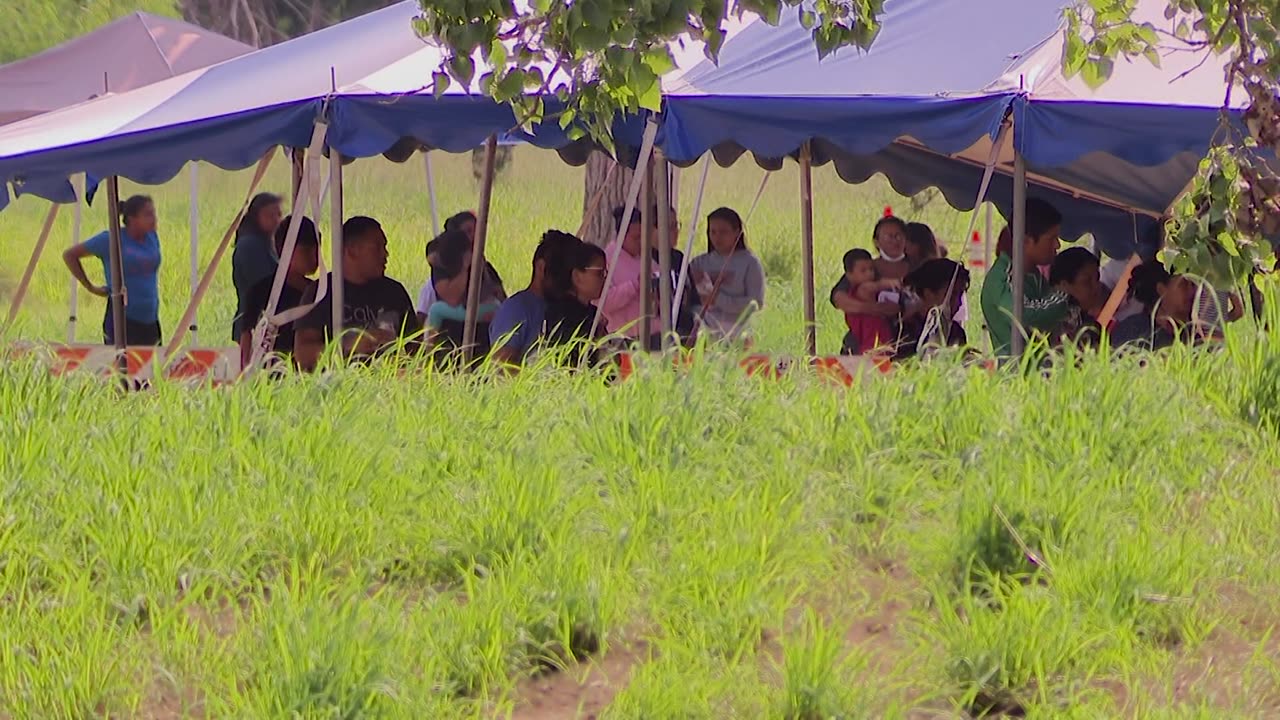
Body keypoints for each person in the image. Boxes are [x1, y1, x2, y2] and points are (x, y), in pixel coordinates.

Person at [294, 216, 419, 370]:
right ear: (352, 250)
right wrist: (348, 345)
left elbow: (416, 348)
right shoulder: (320, 292)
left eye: (385, 247)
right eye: (377, 248)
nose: (385, 254)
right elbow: (303, 354)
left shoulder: (394, 292)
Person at [63, 194, 163, 346]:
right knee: (123, 367)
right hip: (122, 319)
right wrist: (90, 287)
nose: (154, 218)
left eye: (154, 213)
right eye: (148, 214)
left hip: (150, 319)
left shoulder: (152, 237)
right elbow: (70, 255)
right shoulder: (111, 239)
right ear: (132, 219)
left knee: (153, 366)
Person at [979, 198, 1070, 354]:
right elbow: (1023, 316)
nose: (1057, 245)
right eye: (1051, 239)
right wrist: (1064, 296)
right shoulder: (1001, 278)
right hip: (1016, 374)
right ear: (1026, 241)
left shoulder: (1035, 277)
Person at [237, 215, 320, 369]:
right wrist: (247, 374)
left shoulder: (320, 292)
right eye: (307, 250)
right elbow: (247, 336)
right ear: (285, 249)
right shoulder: (262, 291)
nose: (315, 256)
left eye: (317, 248)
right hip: (271, 375)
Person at [489, 230, 582, 366]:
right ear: (541, 267)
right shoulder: (517, 309)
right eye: (564, 274)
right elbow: (501, 365)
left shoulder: (573, 308)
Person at [689, 207, 766, 343]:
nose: (717, 237)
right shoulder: (699, 263)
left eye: (723, 232)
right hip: (704, 335)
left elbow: (755, 303)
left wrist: (718, 299)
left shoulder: (750, 263)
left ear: (737, 232)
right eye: (713, 232)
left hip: (738, 333)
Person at [421, 230, 498, 361]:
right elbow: (453, 298)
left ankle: (427, 352)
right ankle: (427, 355)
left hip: (485, 309)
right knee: (436, 310)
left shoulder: (478, 266)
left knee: (436, 310)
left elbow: (494, 293)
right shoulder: (444, 268)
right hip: (466, 310)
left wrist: (466, 265)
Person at [416, 213, 506, 324]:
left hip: (485, 323)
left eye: (477, 231)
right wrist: (465, 265)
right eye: (468, 231)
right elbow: (453, 299)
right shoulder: (442, 270)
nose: (474, 236)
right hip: (452, 330)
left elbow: (502, 300)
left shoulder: (486, 267)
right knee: (436, 310)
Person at [545, 238, 612, 367]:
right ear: (577, 276)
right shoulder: (561, 314)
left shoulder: (592, 313)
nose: (605, 279)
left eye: (605, 273)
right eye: (599, 273)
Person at [600, 205, 658, 342]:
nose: (642, 242)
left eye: (644, 237)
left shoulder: (646, 257)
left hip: (653, 332)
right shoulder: (606, 259)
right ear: (622, 236)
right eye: (636, 238)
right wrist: (635, 285)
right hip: (624, 337)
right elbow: (604, 302)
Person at [231, 192, 284, 339]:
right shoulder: (250, 245)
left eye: (279, 214)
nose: (276, 220)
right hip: (253, 325)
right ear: (256, 217)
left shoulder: (267, 242)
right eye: (270, 215)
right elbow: (263, 285)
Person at [1110, 262, 1197, 350]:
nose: (1192, 291)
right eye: (1184, 285)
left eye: (1193, 285)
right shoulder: (1133, 333)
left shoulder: (1199, 328)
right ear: (1161, 289)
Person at [895, 258, 970, 360]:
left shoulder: (956, 332)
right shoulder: (905, 331)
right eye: (951, 296)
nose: (959, 303)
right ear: (928, 294)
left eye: (960, 295)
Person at [840, 249, 901, 355]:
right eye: (863, 271)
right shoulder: (860, 289)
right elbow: (873, 287)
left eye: (871, 269)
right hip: (870, 340)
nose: (869, 273)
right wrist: (890, 283)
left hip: (881, 334)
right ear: (849, 275)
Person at [1049, 247, 1107, 344]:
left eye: (1097, 278)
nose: (1096, 286)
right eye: (1086, 281)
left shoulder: (1093, 327)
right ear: (1063, 286)